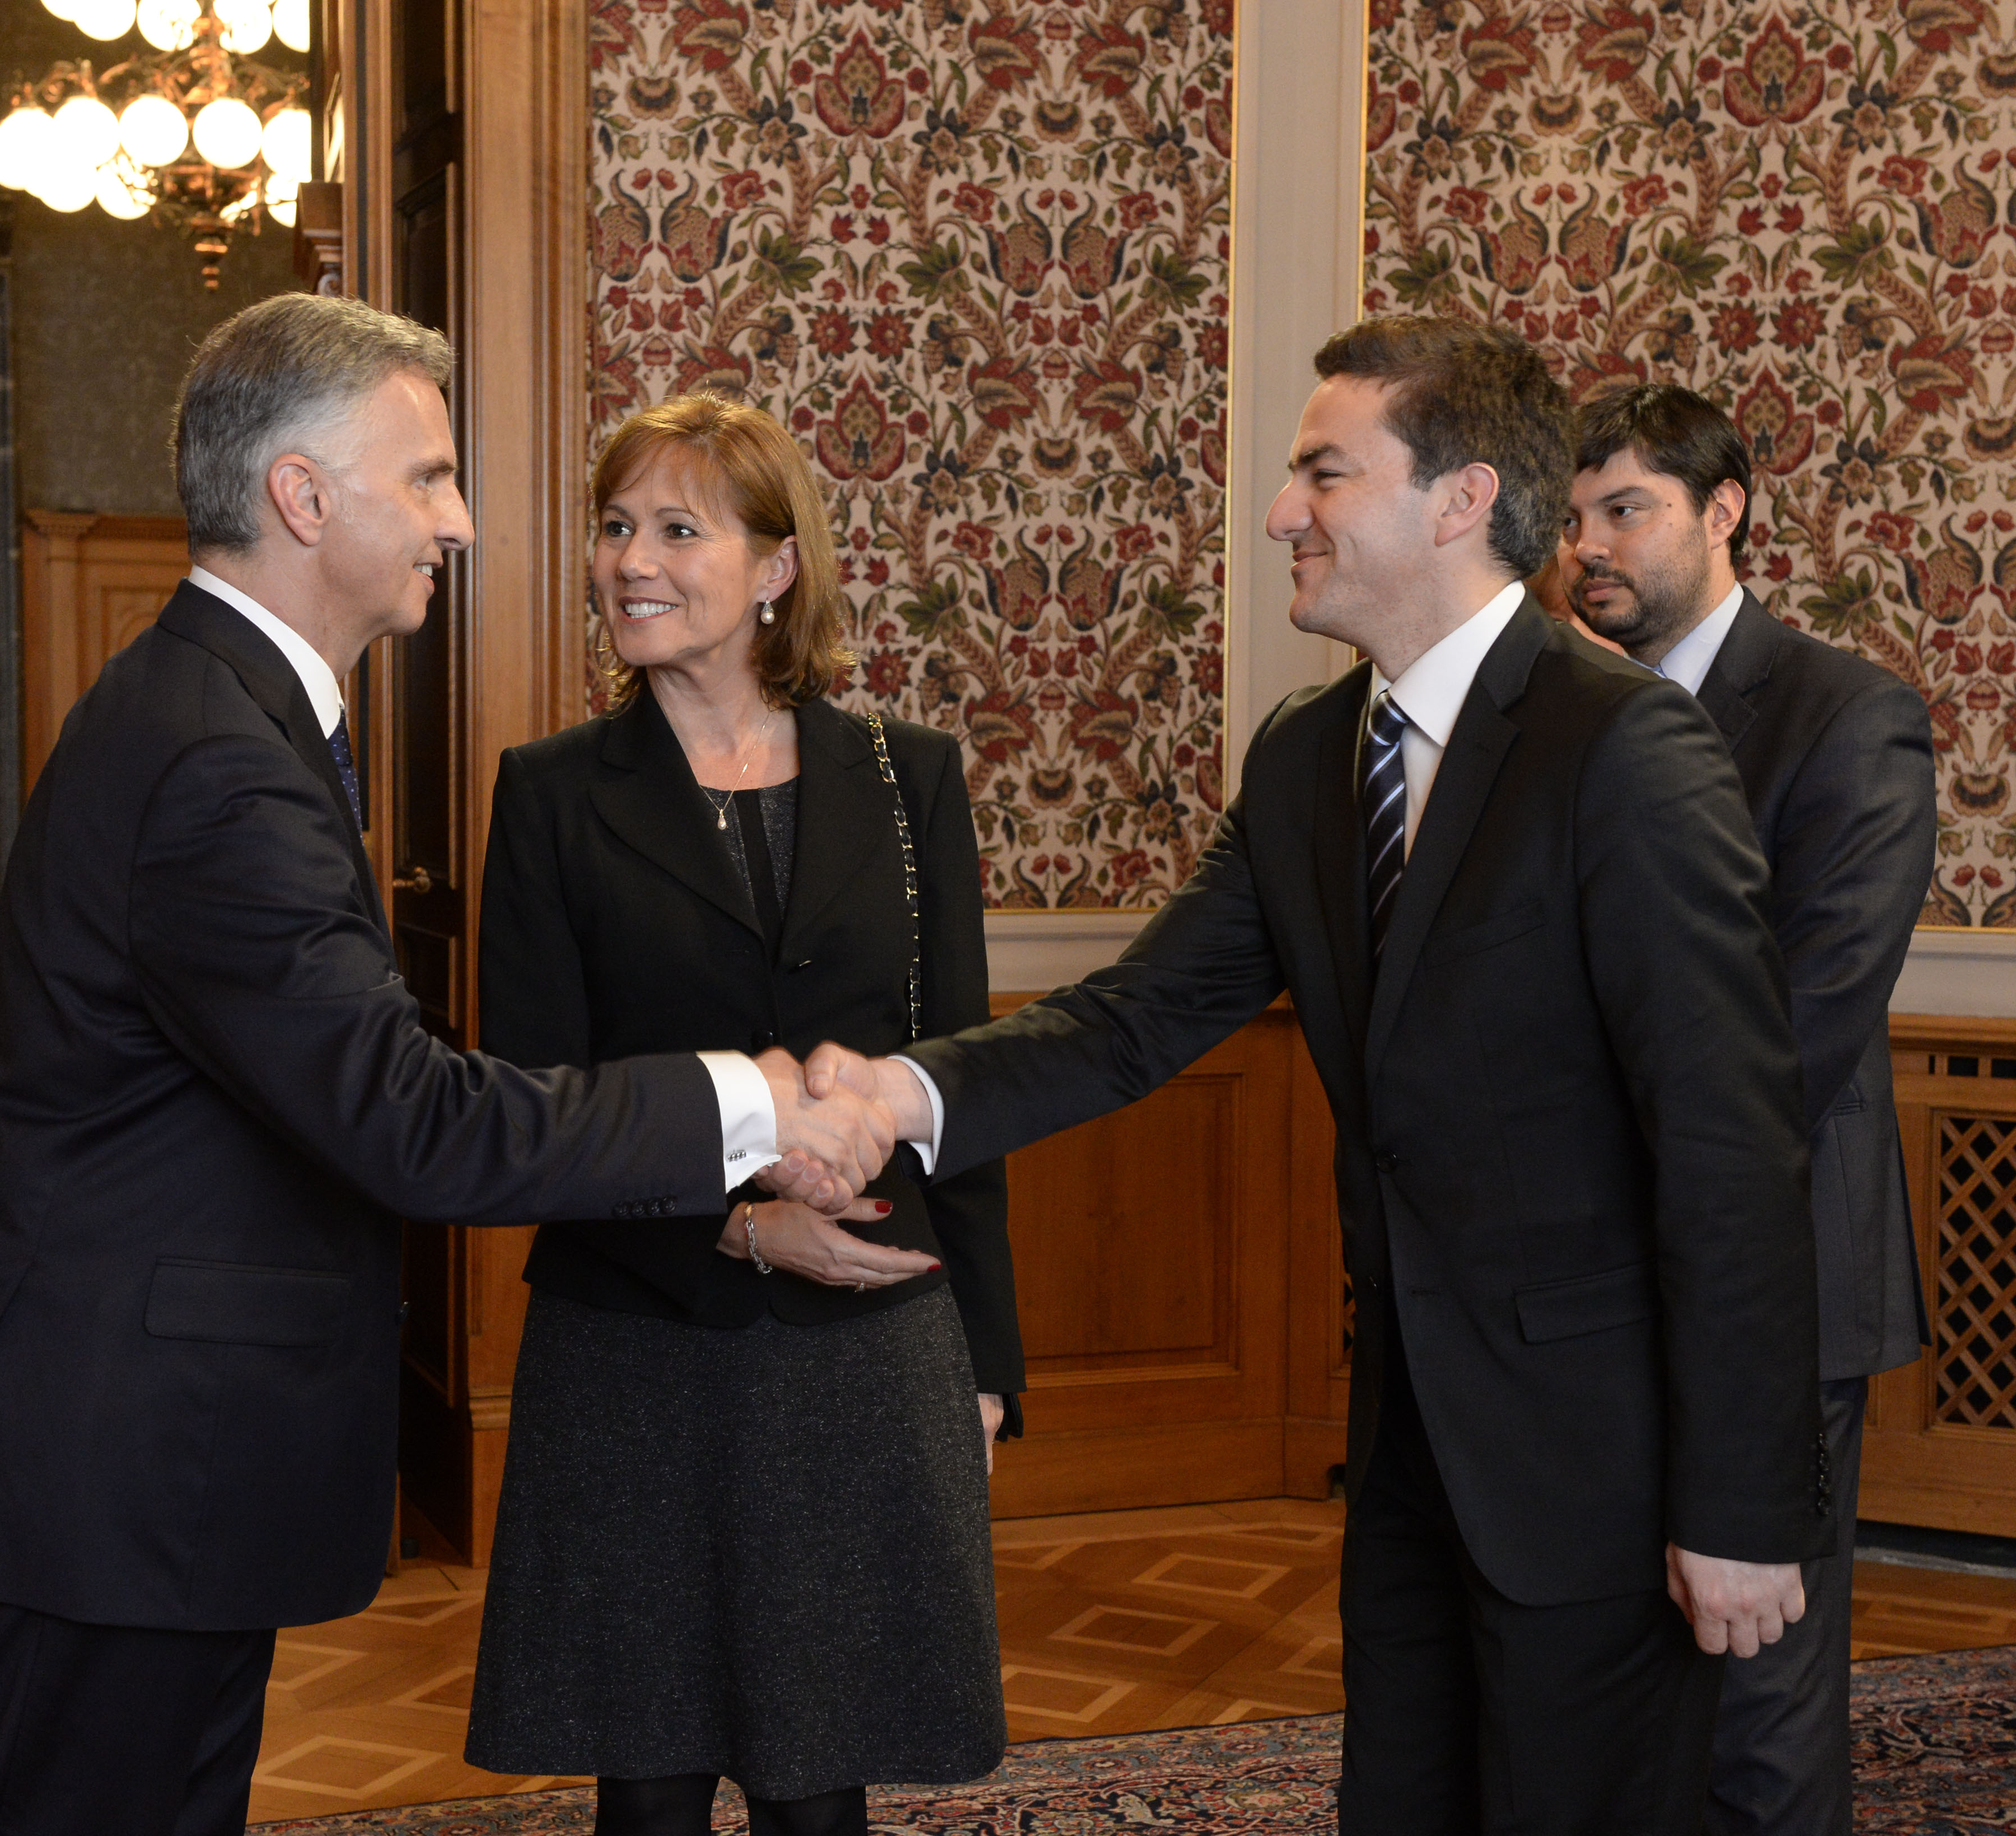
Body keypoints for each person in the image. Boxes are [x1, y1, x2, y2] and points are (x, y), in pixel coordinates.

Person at [0, 296, 897, 1836]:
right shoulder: (217, 754)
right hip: (109, 1480)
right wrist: (751, 1097)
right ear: (303, 497)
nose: (463, 521)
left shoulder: (228, 712)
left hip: (138, 1473)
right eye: (425, 477)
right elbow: (411, 1121)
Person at [799, 316, 1833, 1834]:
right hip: (1411, 1449)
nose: (1282, 512)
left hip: (1599, 1471)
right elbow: (1136, 1017)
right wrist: (900, 1098)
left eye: (1323, 472)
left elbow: (1734, 1151)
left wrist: (1742, 1510)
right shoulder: (1307, 760)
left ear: (1462, 500)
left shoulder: (1624, 749)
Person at [463, 392, 1022, 1836]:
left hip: (868, 1338)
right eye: (613, 527)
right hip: (637, 1340)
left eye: (676, 528)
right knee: (645, 1773)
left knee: (818, 1770)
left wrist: (987, 1362)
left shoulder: (909, 780)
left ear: (776, 567)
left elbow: (959, 1081)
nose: (629, 559)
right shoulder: (548, 797)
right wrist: (739, 1230)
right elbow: (534, 1103)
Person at [1568, 383, 1937, 1836]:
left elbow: (1807, 1023)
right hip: (1587, 1282)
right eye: (1582, 516)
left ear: (1726, 515)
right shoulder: (1563, 718)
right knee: (1617, 1676)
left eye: (1629, 510)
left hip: (1774, 1269)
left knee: (1760, 1697)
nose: (1593, 547)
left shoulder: (1849, 716)